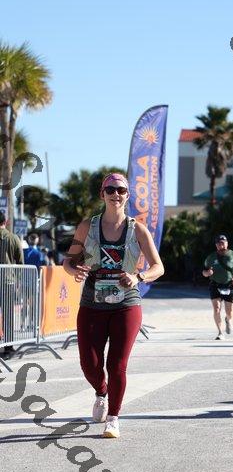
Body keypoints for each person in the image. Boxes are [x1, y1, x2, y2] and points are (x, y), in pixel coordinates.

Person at [63, 172, 164, 438]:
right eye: (110, 190)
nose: (115, 194)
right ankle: (101, 392)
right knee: (89, 363)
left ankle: (113, 417)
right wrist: (74, 270)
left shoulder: (137, 229)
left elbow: (158, 266)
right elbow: (69, 260)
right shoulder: (87, 226)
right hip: (92, 303)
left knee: (117, 364)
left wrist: (138, 276)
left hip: (126, 304)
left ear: (127, 195)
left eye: (121, 190)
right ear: (102, 194)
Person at [203, 235, 233, 340]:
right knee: (216, 308)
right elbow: (204, 271)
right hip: (215, 285)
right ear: (216, 245)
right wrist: (207, 273)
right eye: (219, 243)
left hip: (230, 285)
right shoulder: (211, 257)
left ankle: (228, 319)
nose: (221, 245)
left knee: (230, 312)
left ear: (227, 243)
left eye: (223, 243)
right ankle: (220, 332)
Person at [0, 212, 24, 359]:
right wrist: (19, 280)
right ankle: (8, 347)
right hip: (7, 281)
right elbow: (20, 261)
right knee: (8, 314)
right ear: (6, 221)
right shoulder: (13, 238)